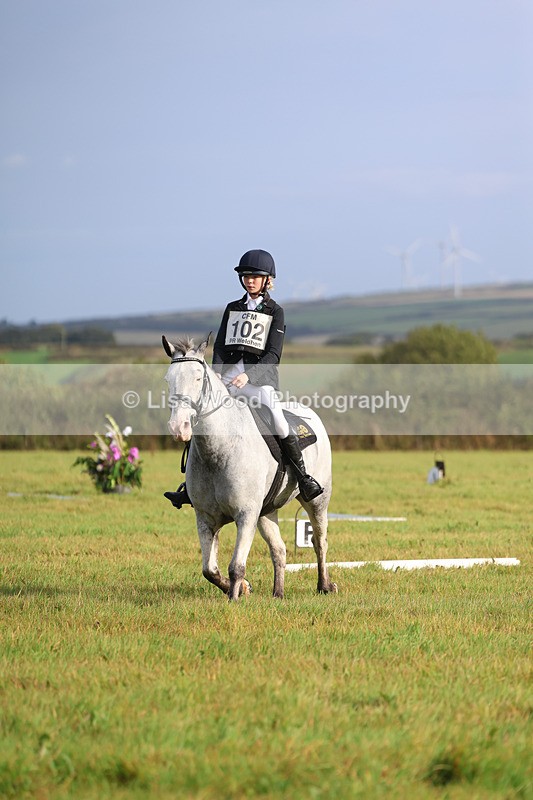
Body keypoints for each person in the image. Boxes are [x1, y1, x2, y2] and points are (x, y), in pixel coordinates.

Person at [164, 249, 323, 509]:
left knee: (279, 421)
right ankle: (190, 487)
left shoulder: (276, 311)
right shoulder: (232, 308)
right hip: (227, 382)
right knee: (201, 416)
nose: (250, 280)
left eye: (256, 277)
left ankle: (304, 477)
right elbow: (221, 347)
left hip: (259, 383)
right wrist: (218, 372)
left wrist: (248, 375)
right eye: (247, 276)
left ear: (267, 280)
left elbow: (273, 354)